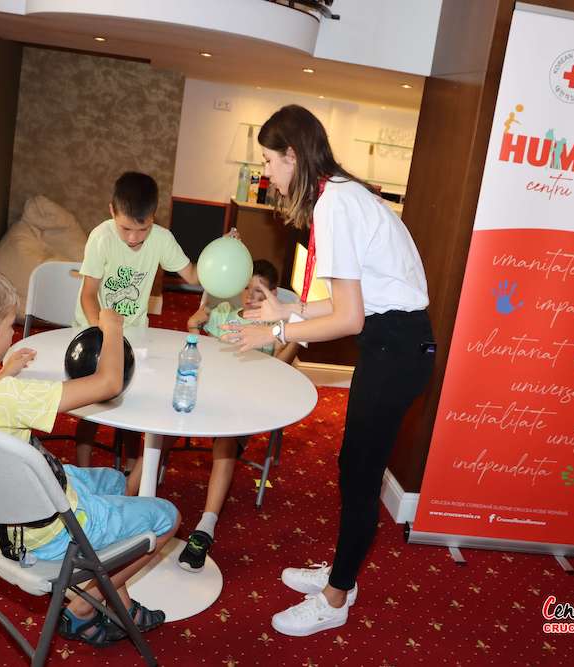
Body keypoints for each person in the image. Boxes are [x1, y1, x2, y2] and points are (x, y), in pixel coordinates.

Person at [224, 105, 433, 636]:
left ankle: (337, 597)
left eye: (271, 160)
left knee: (360, 474)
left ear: (293, 155)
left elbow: (349, 316)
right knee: (351, 467)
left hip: (395, 348)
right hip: (396, 342)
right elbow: (358, 300)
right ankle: (343, 574)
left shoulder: (336, 205)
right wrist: (285, 311)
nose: (267, 171)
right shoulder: (341, 195)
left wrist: (274, 333)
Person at [0, 260, 179, 646]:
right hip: (46, 533)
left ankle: (111, 581)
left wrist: (1, 373)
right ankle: (87, 603)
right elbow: (108, 382)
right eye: (9, 324)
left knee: (114, 480)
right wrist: (111, 327)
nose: (13, 332)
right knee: (167, 518)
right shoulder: (6, 397)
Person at [72, 172, 201, 471]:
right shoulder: (101, 237)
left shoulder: (161, 239)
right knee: (90, 405)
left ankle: (132, 466)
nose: (133, 237)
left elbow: (193, 276)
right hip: (94, 331)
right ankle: (83, 470)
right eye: (125, 228)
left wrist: (221, 251)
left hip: (134, 333)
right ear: (111, 211)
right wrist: (100, 331)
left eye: (141, 229)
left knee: (133, 401)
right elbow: (89, 295)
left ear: (153, 218)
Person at [176, 260, 298, 572]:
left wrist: (293, 335)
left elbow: (281, 371)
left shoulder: (274, 328)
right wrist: (193, 324)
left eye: (260, 293)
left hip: (245, 403)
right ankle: (132, 496)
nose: (251, 297)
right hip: (210, 391)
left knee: (226, 442)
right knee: (167, 420)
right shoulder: (223, 314)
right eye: (247, 289)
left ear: (273, 294)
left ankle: (205, 526)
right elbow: (197, 350)